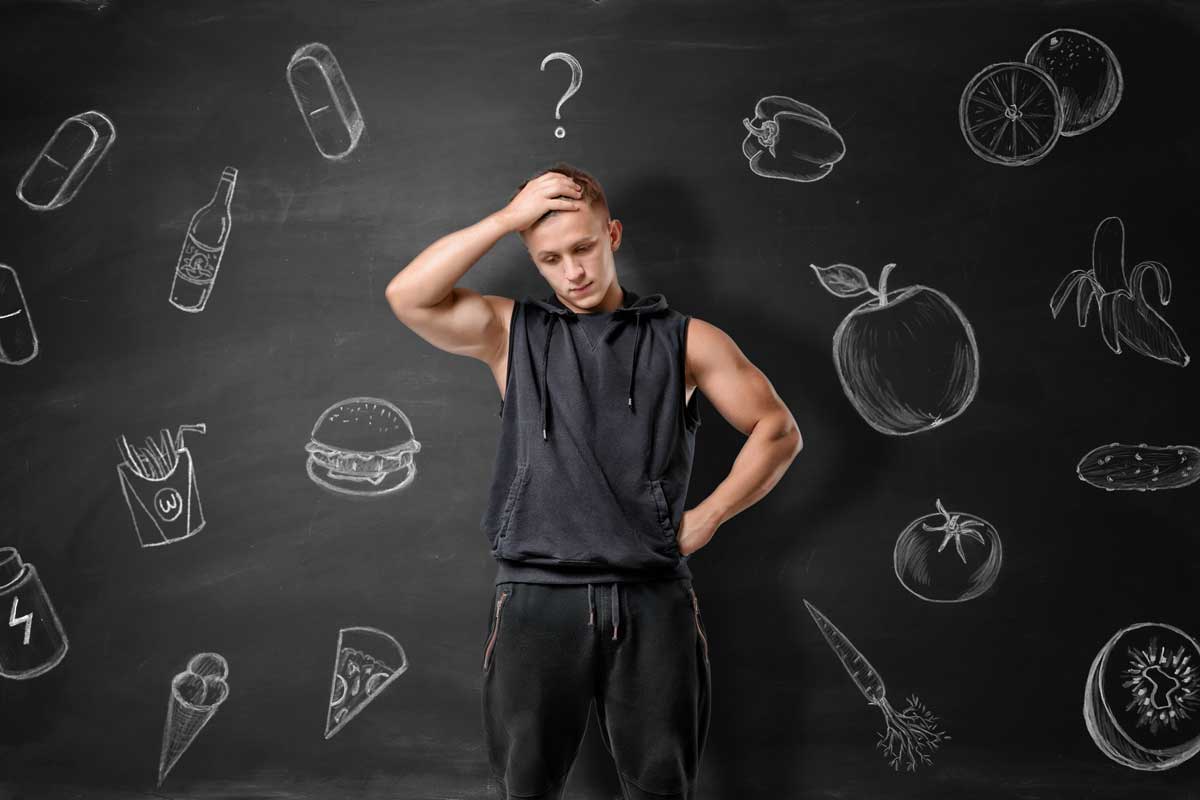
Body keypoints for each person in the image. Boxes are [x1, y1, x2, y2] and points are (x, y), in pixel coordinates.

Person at [384, 163, 802, 800]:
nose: (573, 272)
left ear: (613, 234)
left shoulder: (688, 340)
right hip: (536, 597)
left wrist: (710, 515)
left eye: (582, 248)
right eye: (550, 259)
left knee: (661, 789)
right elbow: (408, 296)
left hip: (651, 600)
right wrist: (506, 220)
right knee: (526, 789)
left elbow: (777, 429)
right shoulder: (511, 333)